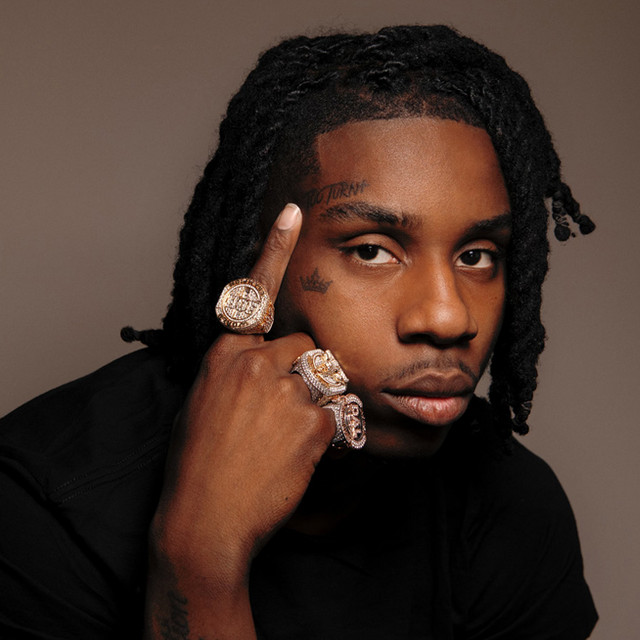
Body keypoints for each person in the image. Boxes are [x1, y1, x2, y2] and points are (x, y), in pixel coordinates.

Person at [0, 25, 598, 639]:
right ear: (258, 254)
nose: (450, 318)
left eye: (476, 256)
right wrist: (200, 554)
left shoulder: (512, 505)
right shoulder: (39, 507)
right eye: (371, 250)